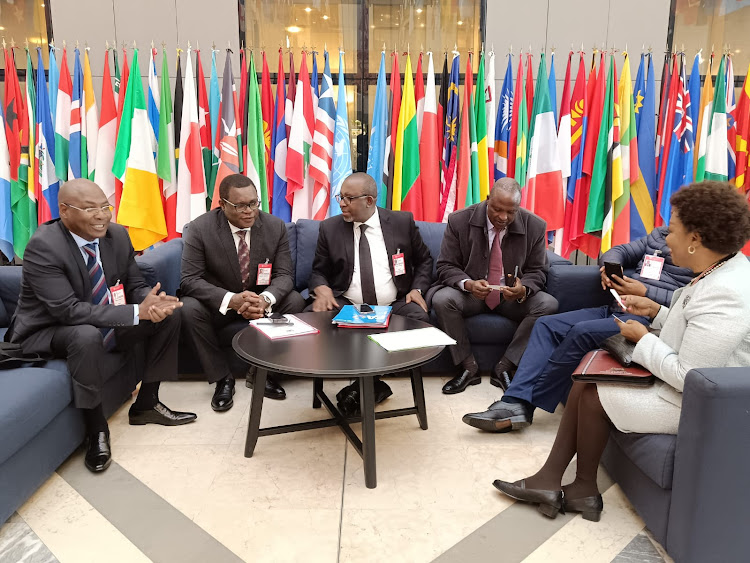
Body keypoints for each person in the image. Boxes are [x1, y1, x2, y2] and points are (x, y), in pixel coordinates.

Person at [492, 181, 750, 522]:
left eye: (672, 231)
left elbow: (691, 377)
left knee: (592, 390)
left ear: (695, 240)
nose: (665, 237)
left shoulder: (727, 292)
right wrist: (656, 312)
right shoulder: (719, 269)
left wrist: (643, 339)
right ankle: (568, 485)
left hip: (701, 407)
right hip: (685, 388)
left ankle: (575, 486)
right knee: (586, 376)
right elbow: (692, 326)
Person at [6, 179, 196, 474]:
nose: (102, 215)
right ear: (65, 211)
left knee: (169, 314)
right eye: (90, 209)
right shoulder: (44, 246)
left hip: (99, 319)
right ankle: (97, 432)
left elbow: (133, 284)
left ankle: (147, 403)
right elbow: (67, 310)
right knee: (85, 335)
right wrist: (135, 313)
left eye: (105, 207)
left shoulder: (116, 235)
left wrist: (149, 302)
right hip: (46, 330)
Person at [462, 224, 694, 432]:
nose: (669, 226)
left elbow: (685, 300)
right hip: (615, 307)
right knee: (546, 324)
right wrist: (609, 268)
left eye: (675, 222)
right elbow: (618, 251)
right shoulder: (658, 235)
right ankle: (515, 399)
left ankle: (521, 404)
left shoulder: (696, 253)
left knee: (581, 331)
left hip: (647, 319)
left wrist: (646, 292)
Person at [307, 172, 433, 415]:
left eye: (348, 198)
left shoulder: (401, 223)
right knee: (313, 317)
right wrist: (321, 287)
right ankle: (369, 385)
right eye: (340, 197)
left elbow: (425, 259)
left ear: (369, 201)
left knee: (420, 319)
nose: (341, 203)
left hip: (394, 302)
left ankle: (367, 384)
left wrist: (418, 288)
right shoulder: (330, 228)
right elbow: (318, 271)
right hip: (348, 304)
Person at [181, 174, 305, 409]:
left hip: (260, 303)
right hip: (221, 304)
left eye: (253, 203)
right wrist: (232, 300)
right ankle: (222, 378)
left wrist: (265, 299)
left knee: (295, 300)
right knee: (188, 308)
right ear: (223, 204)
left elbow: (285, 275)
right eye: (240, 206)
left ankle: (262, 373)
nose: (249, 211)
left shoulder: (274, 226)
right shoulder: (200, 229)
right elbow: (189, 280)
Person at [428, 178, 558, 395]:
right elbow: (445, 265)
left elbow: (538, 270)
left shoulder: (535, 225)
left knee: (548, 304)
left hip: (510, 298)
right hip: (472, 295)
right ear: (487, 200)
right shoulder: (459, 220)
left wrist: (523, 288)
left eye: (511, 212)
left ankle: (505, 367)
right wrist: (468, 284)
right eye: (497, 210)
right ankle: (468, 367)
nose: (503, 217)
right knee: (443, 299)